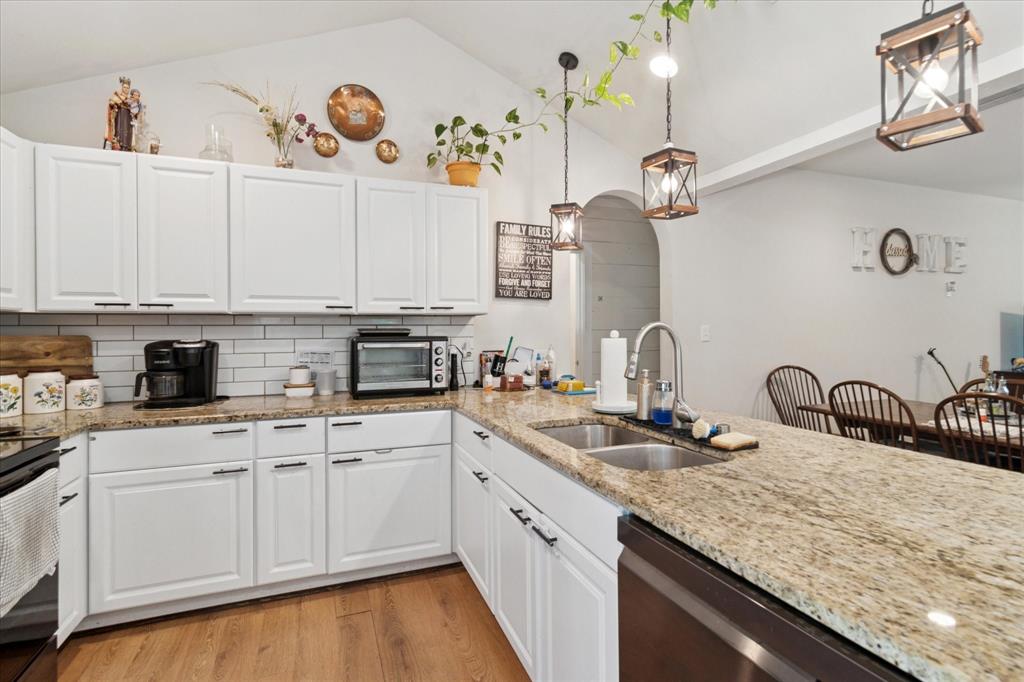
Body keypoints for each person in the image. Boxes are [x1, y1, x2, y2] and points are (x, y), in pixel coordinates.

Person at [105, 76, 135, 151]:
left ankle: (127, 147)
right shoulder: (117, 96)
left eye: (128, 88)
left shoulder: (130, 100)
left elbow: (135, 111)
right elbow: (111, 103)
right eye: (124, 87)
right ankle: (117, 144)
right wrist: (114, 104)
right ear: (122, 87)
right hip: (119, 120)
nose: (126, 89)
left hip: (128, 123)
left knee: (128, 136)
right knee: (119, 133)